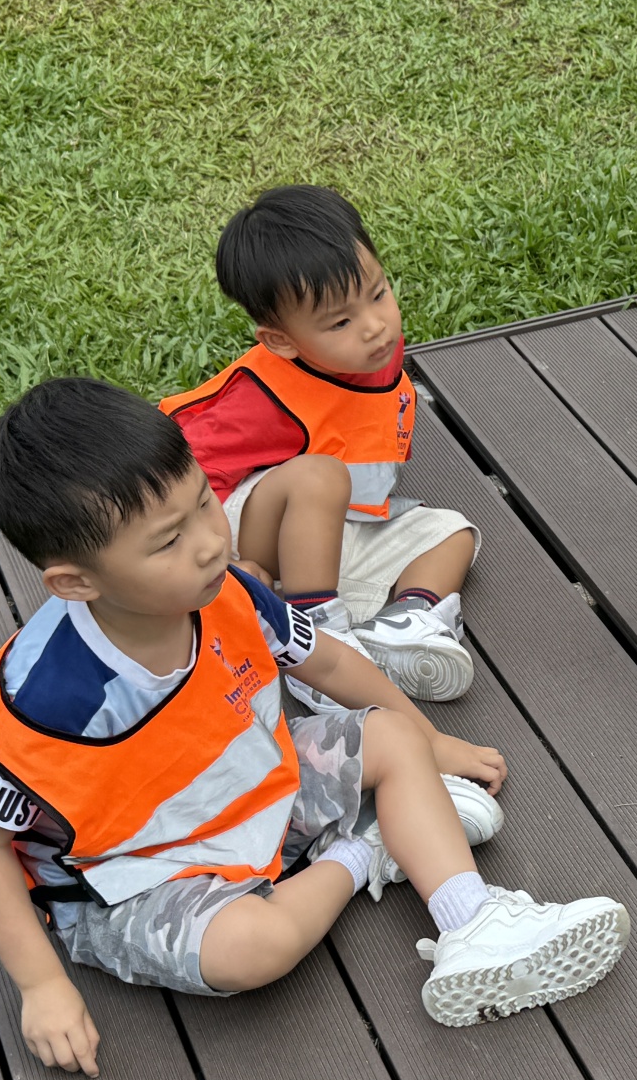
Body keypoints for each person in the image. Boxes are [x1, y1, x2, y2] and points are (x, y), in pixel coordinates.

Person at [0, 379, 629, 1075]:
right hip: (136, 872)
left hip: (249, 782)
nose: (211, 544)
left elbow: (327, 662)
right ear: (75, 583)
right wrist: (42, 986)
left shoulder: (228, 591)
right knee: (256, 949)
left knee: (393, 737)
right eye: (169, 541)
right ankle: (365, 850)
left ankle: (474, 920)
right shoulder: (47, 705)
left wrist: (430, 741)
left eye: (204, 503)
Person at [162, 184, 477, 708]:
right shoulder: (263, 396)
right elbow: (175, 467)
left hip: (328, 536)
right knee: (319, 476)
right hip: (247, 533)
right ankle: (316, 637)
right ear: (281, 341)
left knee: (452, 533)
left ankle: (404, 623)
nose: (375, 327)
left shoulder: (373, 351)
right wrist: (223, 559)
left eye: (378, 294)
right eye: (341, 322)